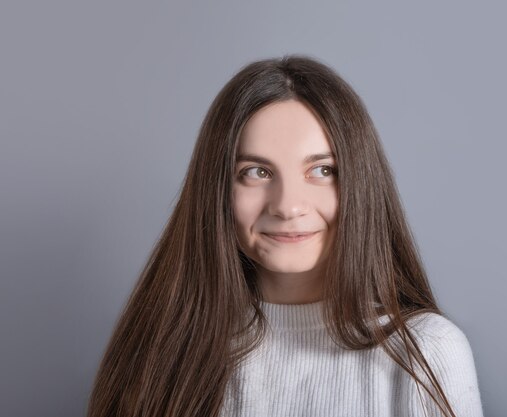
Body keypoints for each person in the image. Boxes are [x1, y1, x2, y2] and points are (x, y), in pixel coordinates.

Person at [87, 55, 483, 417]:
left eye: (323, 170)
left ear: (361, 184)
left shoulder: (426, 353)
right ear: (216, 191)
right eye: (256, 172)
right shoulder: (162, 352)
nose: (288, 205)